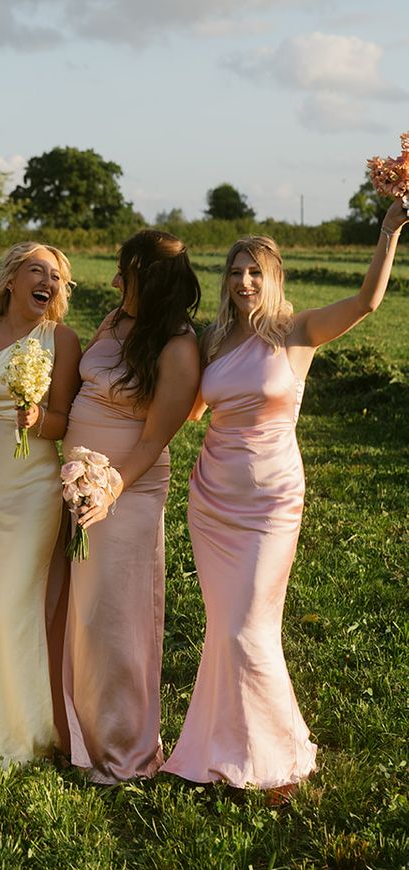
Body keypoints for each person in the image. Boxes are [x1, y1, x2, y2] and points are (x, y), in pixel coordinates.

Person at [161, 200, 409, 798]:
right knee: (225, 630)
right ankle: (219, 750)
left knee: (251, 629)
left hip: (271, 502)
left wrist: (389, 230)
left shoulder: (297, 333)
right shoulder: (213, 340)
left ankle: (278, 758)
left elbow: (366, 303)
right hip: (212, 500)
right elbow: (189, 410)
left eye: (255, 272)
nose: (243, 281)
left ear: (273, 277)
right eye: (235, 271)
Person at [62, 229, 201, 783]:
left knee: (118, 619)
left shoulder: (178, 346)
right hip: (80, 488)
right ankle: (79, 734)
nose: (116, 280)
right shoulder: (116, 320)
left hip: (129, 491)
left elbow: (153, 440)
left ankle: (124, 750)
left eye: (127, 272)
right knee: (83, 614)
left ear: (153, 279)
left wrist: (111, 487)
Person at [0, 243, 81, 764]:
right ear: (11, 279)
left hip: (32, 491)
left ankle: (21, 736)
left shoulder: (62, 340)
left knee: (7, 605)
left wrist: (38, 419)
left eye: (57, 277)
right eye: (38, 271)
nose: (48, 282)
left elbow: (64, 421)